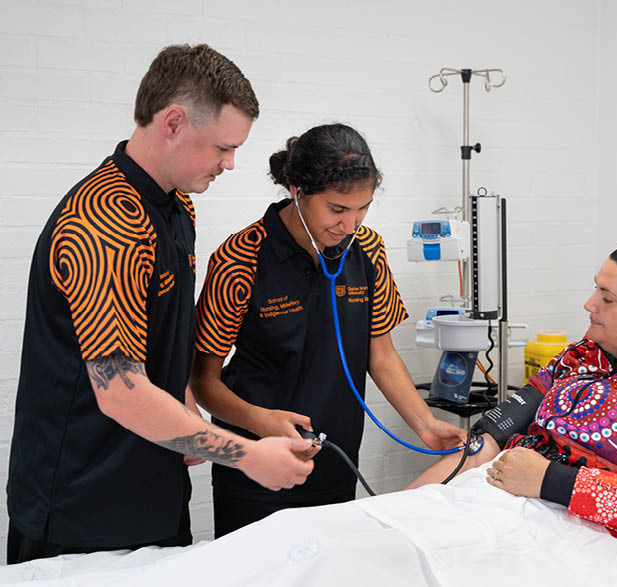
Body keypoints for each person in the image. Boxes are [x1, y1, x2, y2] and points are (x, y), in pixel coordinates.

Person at [6, 44, 315, 565]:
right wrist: (246, 456)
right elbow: (120, 391)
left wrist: (186, 413)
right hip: (81, 505)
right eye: (223, 147)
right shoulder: (104, 220)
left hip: (154, 488)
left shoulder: (177, 207)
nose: (231, 163)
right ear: (173, 121)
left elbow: (159, 335)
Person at [191, 123, 466, 537]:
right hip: (257, 469)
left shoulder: (367, 249)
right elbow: (202, 379)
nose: (350, 224)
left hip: (335, 464)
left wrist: (424, 424)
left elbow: (382, 354)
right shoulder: (240, 258)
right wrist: (259, 420)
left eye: (363, 208)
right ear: (297, 192)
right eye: (338, 209)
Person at [408, 242, 617, 550]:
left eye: (607, 299)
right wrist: (407, 504)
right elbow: (493, 437)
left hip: (571, 535)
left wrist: (550, 481)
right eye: (596, 287)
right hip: (490, 498)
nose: (589, 304)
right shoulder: (582, 355)